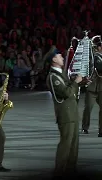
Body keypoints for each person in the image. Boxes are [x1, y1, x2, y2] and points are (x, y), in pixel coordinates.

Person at [45, 46, 82, 176]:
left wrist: (80, 82)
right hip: (65, 114)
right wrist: (76, 82)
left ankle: (71, 170)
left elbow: (70, 88)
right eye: (59, 56)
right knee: (65, 144)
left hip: (72, 112)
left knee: (74, 144)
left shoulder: (61, 73)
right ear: (54, 59)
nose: (62, 58)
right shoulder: (53, 77)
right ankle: (59, 171)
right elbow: (66, 92)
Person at [81, 42, 102, 136]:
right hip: (92, 87)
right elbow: (99, 67)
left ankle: (101, 130)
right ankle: (85, 127)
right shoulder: (95, 57)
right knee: (88, 108)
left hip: (101, 87)